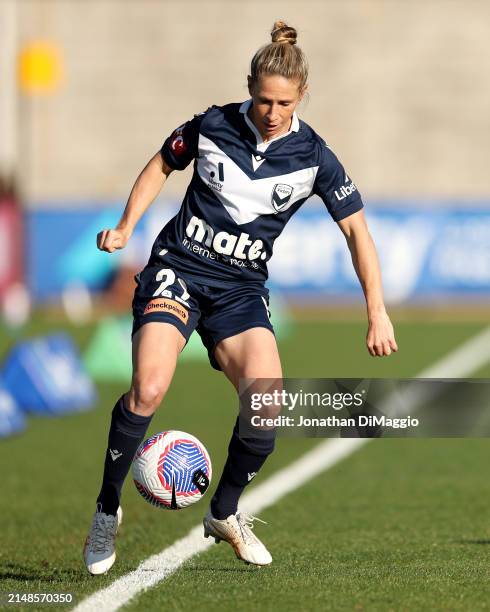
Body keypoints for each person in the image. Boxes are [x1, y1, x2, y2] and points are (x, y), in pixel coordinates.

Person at [83, 20, 398, 575]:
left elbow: (357, 232)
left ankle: (223, 513)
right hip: (177, 270)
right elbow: (162, 163)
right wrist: (128, 226)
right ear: (249, 85)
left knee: (266, 405)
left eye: (283, 102)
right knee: (149, 388)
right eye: (262, 98)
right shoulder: (210, 125)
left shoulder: (315, 157)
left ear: (302, 96)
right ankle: (108, 508)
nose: (272, 112)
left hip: (239, 292)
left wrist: (376, 310)